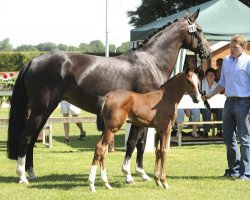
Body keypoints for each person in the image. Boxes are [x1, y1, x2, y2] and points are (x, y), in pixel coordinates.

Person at [202, 34, 250, 180]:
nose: (231, 48)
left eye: (235, 46)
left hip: (244, 103)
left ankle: (246, 173)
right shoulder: (227, 61)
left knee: (244, 139)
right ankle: (233, 170)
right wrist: (210, 95)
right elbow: (222, 82)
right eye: (230, 45)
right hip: (228, 102)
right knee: (228, 138)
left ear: (243, 47)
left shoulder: (248, 61)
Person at [200, 68, 223, 138]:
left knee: (221, 110)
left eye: (212, 74)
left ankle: (220, 131)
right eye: (209, 74)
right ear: (206, 76)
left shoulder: (217, 85)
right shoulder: (201, 83)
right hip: (203, 105)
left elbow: (218, 98)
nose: (211, 76)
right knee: (207, 111)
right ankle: (206, 131)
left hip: (214, 106)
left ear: (214, 76)